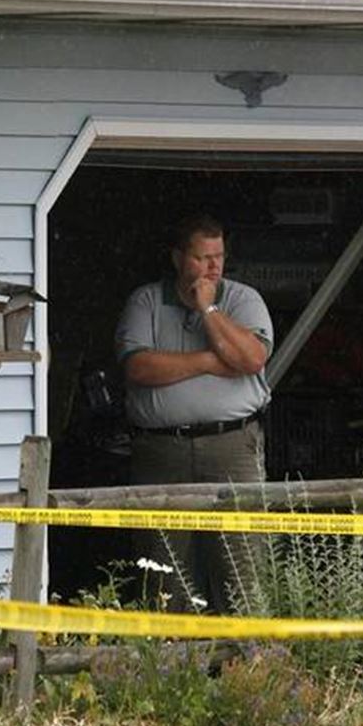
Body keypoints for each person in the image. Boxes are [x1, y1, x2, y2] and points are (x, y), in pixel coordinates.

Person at [114, 213, 273, 612]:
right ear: (178, 258)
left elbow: (252, 359)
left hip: (232, 445)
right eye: (203, 258)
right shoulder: (146, 301)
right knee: (162, 566)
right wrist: (210, 360)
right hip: (161, 449)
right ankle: (172, 649)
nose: (213, 267)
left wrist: (209, 309)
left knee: (241, 562)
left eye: (219, 256)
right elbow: (139, 368)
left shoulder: (243, 299)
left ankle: (248, 648)